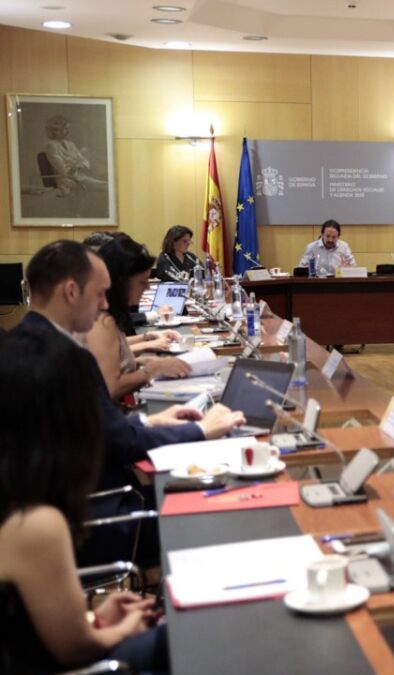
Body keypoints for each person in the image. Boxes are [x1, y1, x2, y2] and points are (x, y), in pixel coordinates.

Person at [15, 240, 244, 494]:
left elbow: (98, 429)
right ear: (71, 292)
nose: (104, 305)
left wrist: (148, 421)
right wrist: (201, 429)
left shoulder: (22, 344)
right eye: (100, 293)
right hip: (100, 501)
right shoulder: (65, 358)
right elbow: (120, 442)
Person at [0, 330, 168, 673]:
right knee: (182, 634)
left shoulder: (16, 496)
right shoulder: (34, 523)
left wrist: (95, 618)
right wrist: (124, 628)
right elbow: (75, 650)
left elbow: (39, 629)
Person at [85, 235, 191, 400]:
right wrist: (153, 369)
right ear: (121, 282)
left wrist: (146, 341)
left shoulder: (110, 315)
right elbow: (111, 388)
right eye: (142, 282)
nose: (147, 287)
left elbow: (115, 349)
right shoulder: (102, 320)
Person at [43, 114, 108, 195]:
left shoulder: (70, 144)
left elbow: (85, 162)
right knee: (106, 186)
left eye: (68, 128)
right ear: (55, 130)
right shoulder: (51, 146)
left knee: (106, 184)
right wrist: (77, 164)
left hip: (81, 177)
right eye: (65, 128)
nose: (68, 131)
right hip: (66, 181)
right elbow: (63, 170)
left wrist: (75, 165)